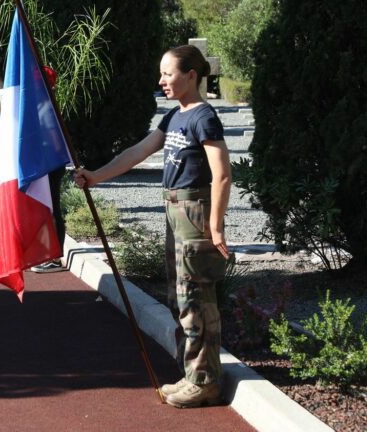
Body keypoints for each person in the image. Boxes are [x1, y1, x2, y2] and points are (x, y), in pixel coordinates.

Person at [74, 45, 231, 408]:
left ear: (191, 75)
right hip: (174, 210)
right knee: (179, 296)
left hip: (194, 211)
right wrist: (96, 176)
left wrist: (216, 225)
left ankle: (206, 381)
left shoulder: (203, 117)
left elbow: (222, 175)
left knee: (196, 298)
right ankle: (191, 373)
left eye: (169, 74)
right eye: (161, 74)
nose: (162, 81)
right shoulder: (174, 117)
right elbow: (137, 152)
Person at [30, 66, 66, 273]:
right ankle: (45, 252)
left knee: (51, 208)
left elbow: (54, 140)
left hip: (50, 163)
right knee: (45, 207)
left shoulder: (45, 106)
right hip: (44, 162)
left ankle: (54, 256)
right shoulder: (41, 103)